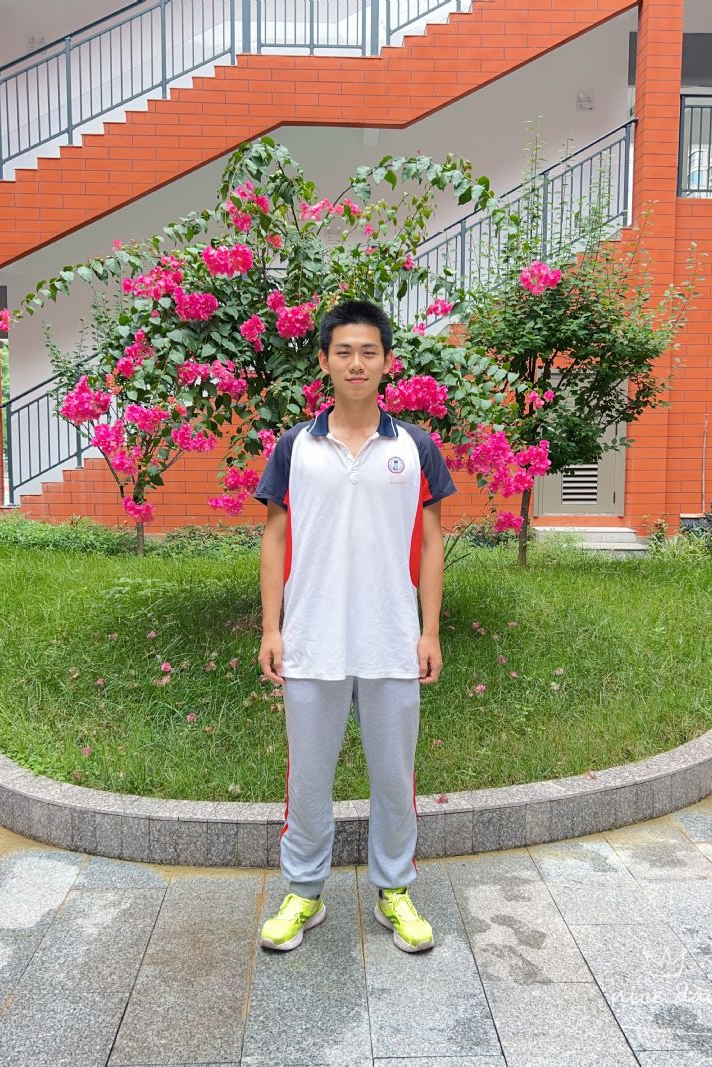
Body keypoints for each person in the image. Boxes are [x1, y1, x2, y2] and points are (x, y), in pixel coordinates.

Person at [253, 298, 457, 953]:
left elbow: (431, 542)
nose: (356, 362)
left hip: (391, 639)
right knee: (308, 779)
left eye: (369, 351)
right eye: (344, 351)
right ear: (324, 361)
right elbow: (274, 537)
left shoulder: (414, 447)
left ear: (387, 361)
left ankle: (394, 890)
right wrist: (272, 628)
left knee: (395, 778)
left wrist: (429, 631)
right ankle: (303, 893)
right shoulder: (296, 447)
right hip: (312, 639)